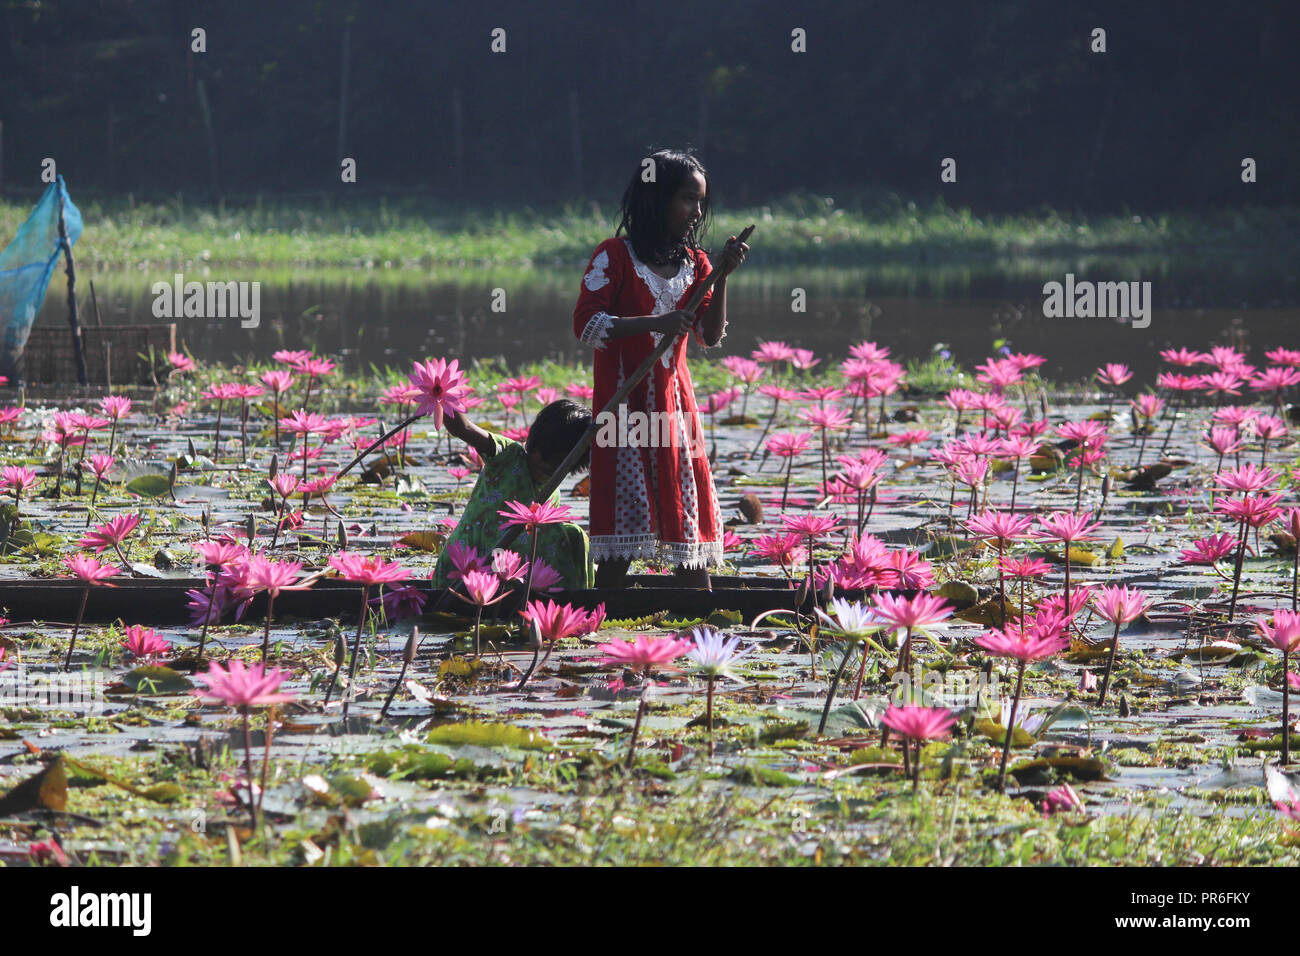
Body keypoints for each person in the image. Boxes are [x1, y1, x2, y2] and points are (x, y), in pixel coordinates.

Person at [572, 147, 748, 589]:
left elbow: (709, 335)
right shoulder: (613, 257)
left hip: (676, 413)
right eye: (688, 198)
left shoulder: (697, 264)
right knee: (625, 527)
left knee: (685, 525)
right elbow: (587, 325)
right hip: (624, 412)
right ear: (658, 198)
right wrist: (658, 323)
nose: (697, 211)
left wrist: (722, 275)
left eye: (701, 201)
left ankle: (699, 614)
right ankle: (604, 609)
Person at [430, 399, 593, 589]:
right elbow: (463, 428)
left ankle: (568, 600)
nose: (549, 464)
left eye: (561, 460)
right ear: (536, 443)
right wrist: (443, 393)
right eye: (547, 454)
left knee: (574, 535)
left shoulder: (553, 488)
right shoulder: (508, 455)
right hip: (468, 568)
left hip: (513, 580)